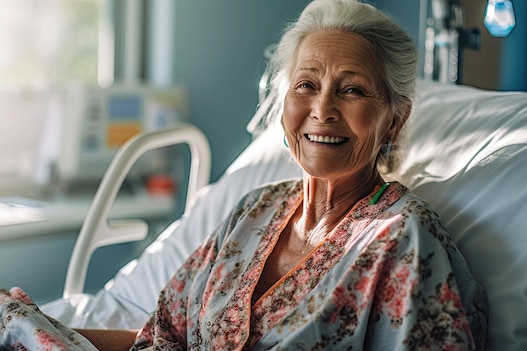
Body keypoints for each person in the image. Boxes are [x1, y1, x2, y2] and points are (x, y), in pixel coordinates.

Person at [0, 0, 487, 349]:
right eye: (306, 85)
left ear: (394, 120)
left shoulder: (404, 242)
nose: (322, 109)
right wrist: (45, 328)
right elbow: (163, 337)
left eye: (352, 90)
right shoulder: (255, 211)